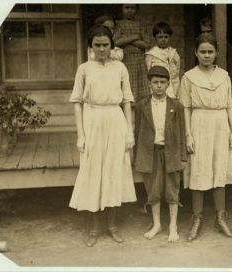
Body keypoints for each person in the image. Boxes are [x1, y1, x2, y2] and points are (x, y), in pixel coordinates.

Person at [69, 25, 136, 247]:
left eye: (105, 45)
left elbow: (127, 101)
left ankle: (112, 226)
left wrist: (129, 131)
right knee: (93, 172)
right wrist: (81, 134)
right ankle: (94, 228)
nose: (101, 49)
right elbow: (77, 102)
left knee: (113, 171)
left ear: (112, 45)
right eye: (96, 45)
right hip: (93, 119)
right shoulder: (84, 69)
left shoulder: (120, 68)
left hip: (115, 120)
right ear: (90, 46)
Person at [179, 34, 232, 241]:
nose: (206, 55)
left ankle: (220, 218)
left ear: (217, 53)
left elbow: (229, 105)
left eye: (210, 52)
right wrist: (188, 134)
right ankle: (197, 218)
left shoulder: (224, 75)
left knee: (219, 168)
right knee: (199, 169)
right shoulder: (188, 77)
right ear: (196, 53)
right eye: (202, 52)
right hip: (199, 123)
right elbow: (186, 107)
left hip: (221, 124)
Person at [134, 66, 187, 242]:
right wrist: (138, 157)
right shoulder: (142, 105)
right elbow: (138, 131)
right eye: (155, 82)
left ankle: (173, 225)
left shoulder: (176, 106)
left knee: (172, 189)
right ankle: (157, 224)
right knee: (153, 190)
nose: (158, 86)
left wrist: (183, 157)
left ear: (168, 84)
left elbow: (181, 132)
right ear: (149, 84)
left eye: (162, 82)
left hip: (171, 153)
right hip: (150, 153)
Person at [113, 4, 151, 103]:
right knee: (126, 88)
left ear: (137, 10)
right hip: (124, 59)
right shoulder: (118, 24)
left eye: (132, 8)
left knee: (140, 90)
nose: (129, 10)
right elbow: (115, 42)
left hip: (139, 61)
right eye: (127, 8)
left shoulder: (141, 25)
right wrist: (134, 37)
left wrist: (126, 39)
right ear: (122, 9)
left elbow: (147, 44)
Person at [199, 17, 232, 101]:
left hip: (225, 85)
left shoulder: (225, 47)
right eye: (203, 32)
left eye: (208, 31)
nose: (205, 35)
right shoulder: (202, 47)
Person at [145, 21, 181, 99]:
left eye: (166, 37)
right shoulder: (151, 54)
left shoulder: (173, 53)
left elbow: (177, 69)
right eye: (160, 37)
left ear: (170, 37)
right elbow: (148, 71)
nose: (163, 39)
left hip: (173, 85)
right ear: (155, 38)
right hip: (158, 85)